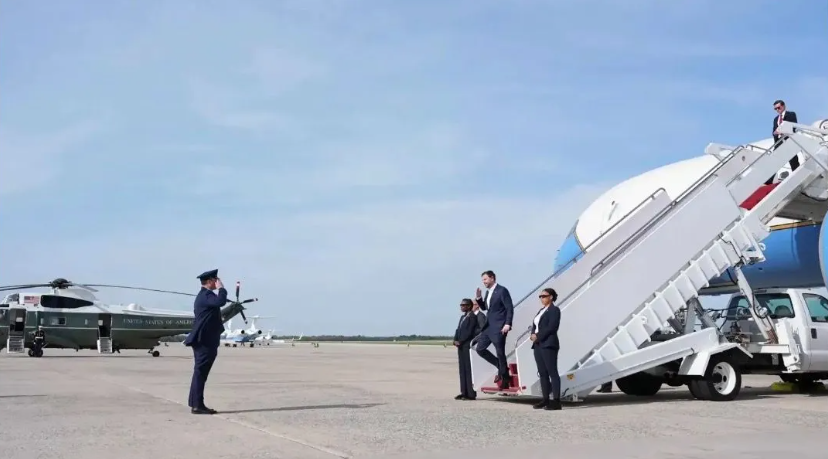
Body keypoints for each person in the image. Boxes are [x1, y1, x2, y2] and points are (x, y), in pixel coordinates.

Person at [183, 269, 228, 414]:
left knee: (199, 372)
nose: (218, 282)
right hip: (205, 341)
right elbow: (221, 301)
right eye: (216, 280)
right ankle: (197, 405)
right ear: (210, 281)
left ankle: (196, 403)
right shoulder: (206, 295)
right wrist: (222, 288)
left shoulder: (205, 296)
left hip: (204, 340)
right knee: (200, 373)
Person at [474, 270, 514, 390]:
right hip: (488, 327)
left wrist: (508, 323)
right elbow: (485, 308)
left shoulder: (502, 290)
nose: (484, 282)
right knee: (480, 349)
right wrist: (479, 298)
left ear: (492, 278)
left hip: (499, 327)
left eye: (485, 279)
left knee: (500, 352)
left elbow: (509, 308)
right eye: (483, 280)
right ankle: (501, 367)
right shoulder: (488, 292)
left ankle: (505, 379)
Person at [529, 287, 562, 410]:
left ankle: (556, 401)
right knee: (542, 373)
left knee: (552, 372)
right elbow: (535, 325)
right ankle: (545, 399)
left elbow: (552, 327)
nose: (541, 298)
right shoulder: (541, 310)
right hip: (538, 345)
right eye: (540, 296)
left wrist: (537, 336)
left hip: (548, 344)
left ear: (551, 297)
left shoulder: (554, 310)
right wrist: (533, 334)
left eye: (544, 296)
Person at [765, 99, 799, 184]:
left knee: (793, 159)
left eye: (778, 108)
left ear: (783, 106)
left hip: (788, 139)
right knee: (774, 160)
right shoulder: (776, 119)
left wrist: (782, 131)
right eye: (775, 109)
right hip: (779, 141)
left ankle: (797, 175)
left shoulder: (791, 114)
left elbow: (794, 126)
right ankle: (769, 180)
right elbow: (774, 131)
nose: (777, 110)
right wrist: (775, 134)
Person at [453, 298, 478, 400]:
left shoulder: (472, 317)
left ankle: (471, 394)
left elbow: (469, 331)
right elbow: (458, 329)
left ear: (469, 306)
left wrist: (461, 341)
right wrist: (455, 340)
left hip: (467, 345)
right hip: (460, 346)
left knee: (468, 369)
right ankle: (464, 392)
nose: (461, 307)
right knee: (462, 369)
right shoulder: (463, 317)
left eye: (463, 305)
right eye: (461, 305)